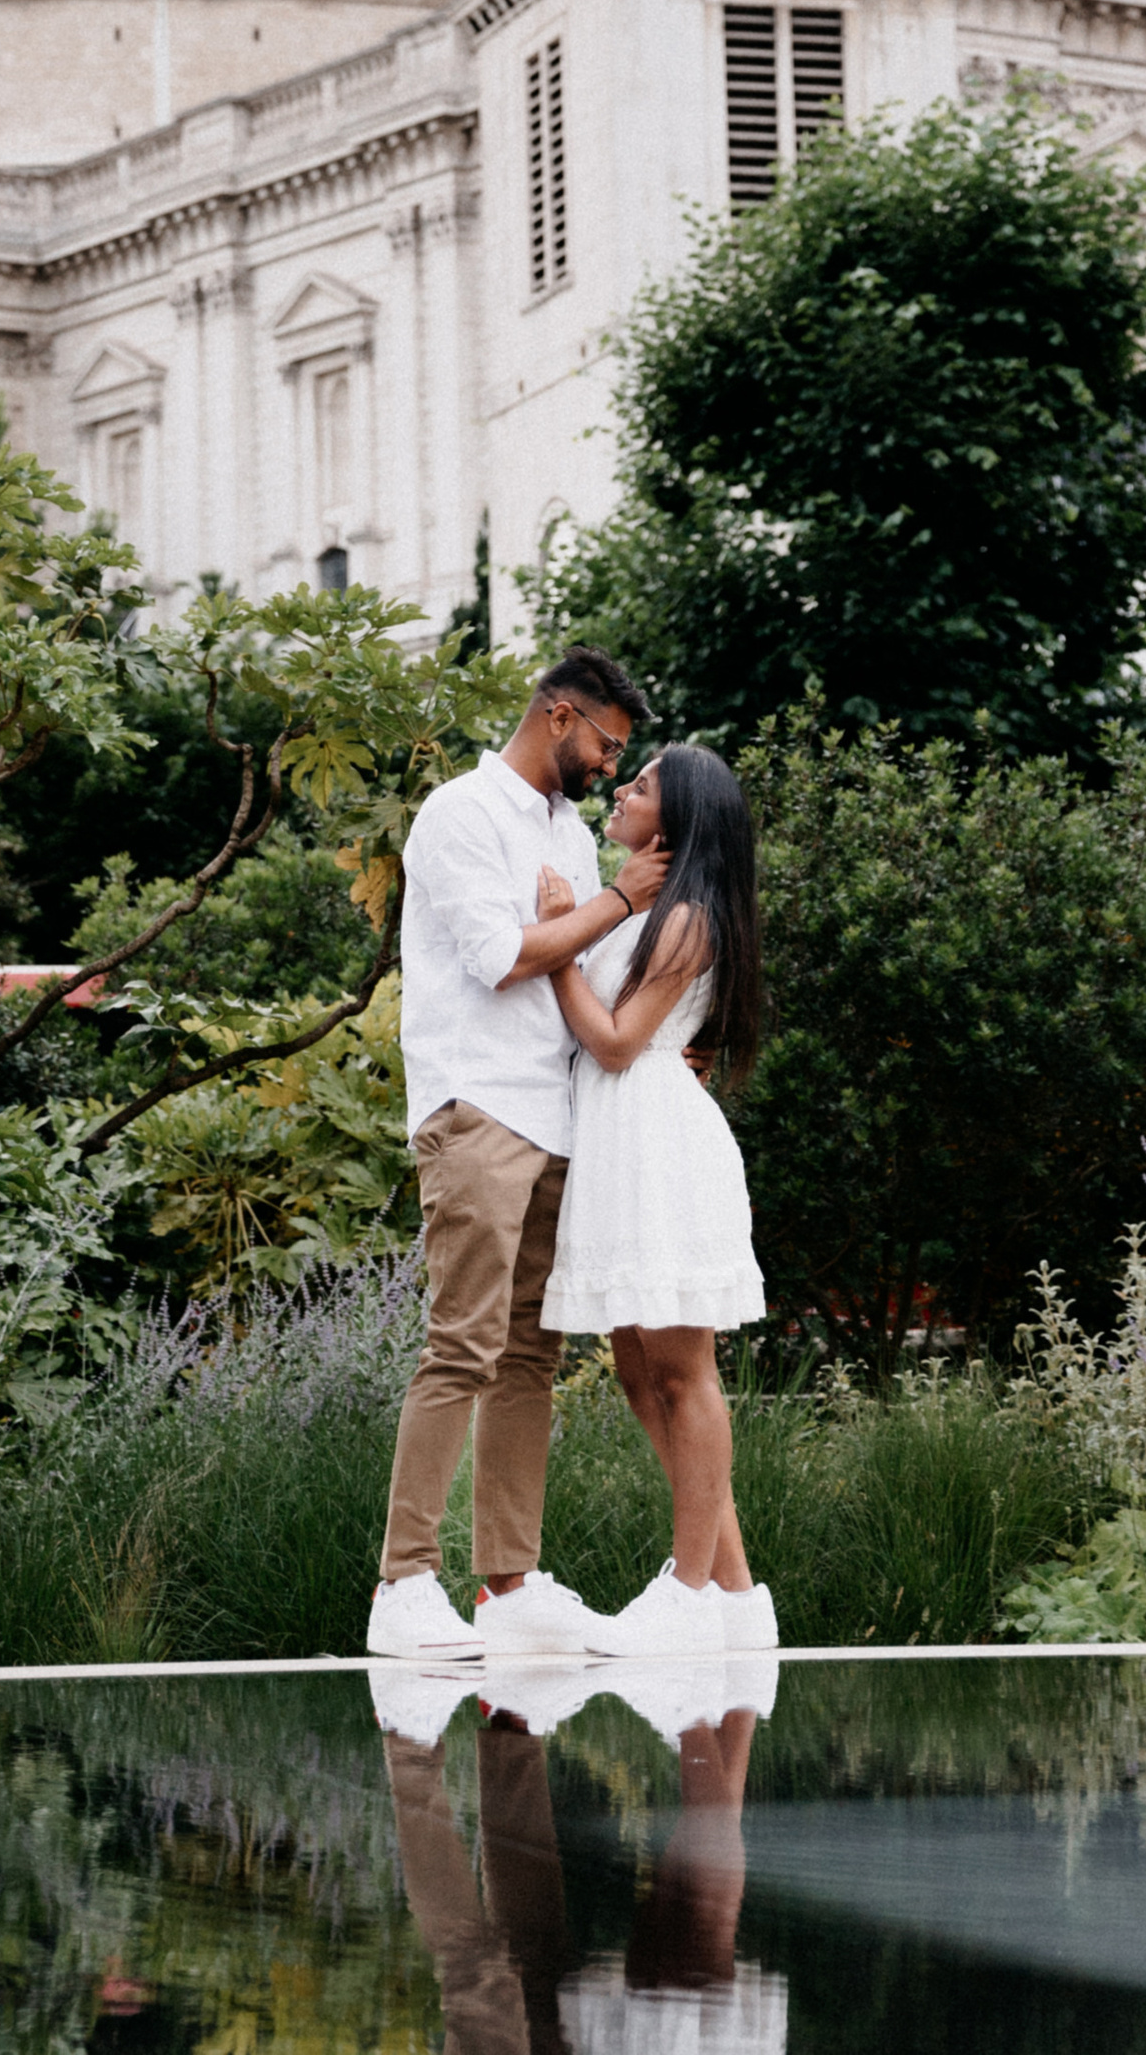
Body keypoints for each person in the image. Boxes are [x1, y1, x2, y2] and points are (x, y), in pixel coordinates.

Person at [366, 649, 669, 1666]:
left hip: (556, 1113)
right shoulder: (459, 813)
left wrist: (573, 918)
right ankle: (404, 1584)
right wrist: (610, 904)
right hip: (478, 1103)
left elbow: (569, 963)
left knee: (531, 1356)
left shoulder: (565, 840)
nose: (606, 765)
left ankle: (509, 1585)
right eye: (604, 744)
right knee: (461, 1345)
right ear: (555, 717)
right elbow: (506, 958)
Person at [537, 740, 775, 1657]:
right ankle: (735, 1595)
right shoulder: (653, 910)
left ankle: (689, 1591)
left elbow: (613, 1042)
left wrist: (560, 941)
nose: (622, 792)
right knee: (640, 1373)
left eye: (639, 787)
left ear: (671, 821)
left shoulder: (684, 919)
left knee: (684, 1372)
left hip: (657, 1144)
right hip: (622, 1143)